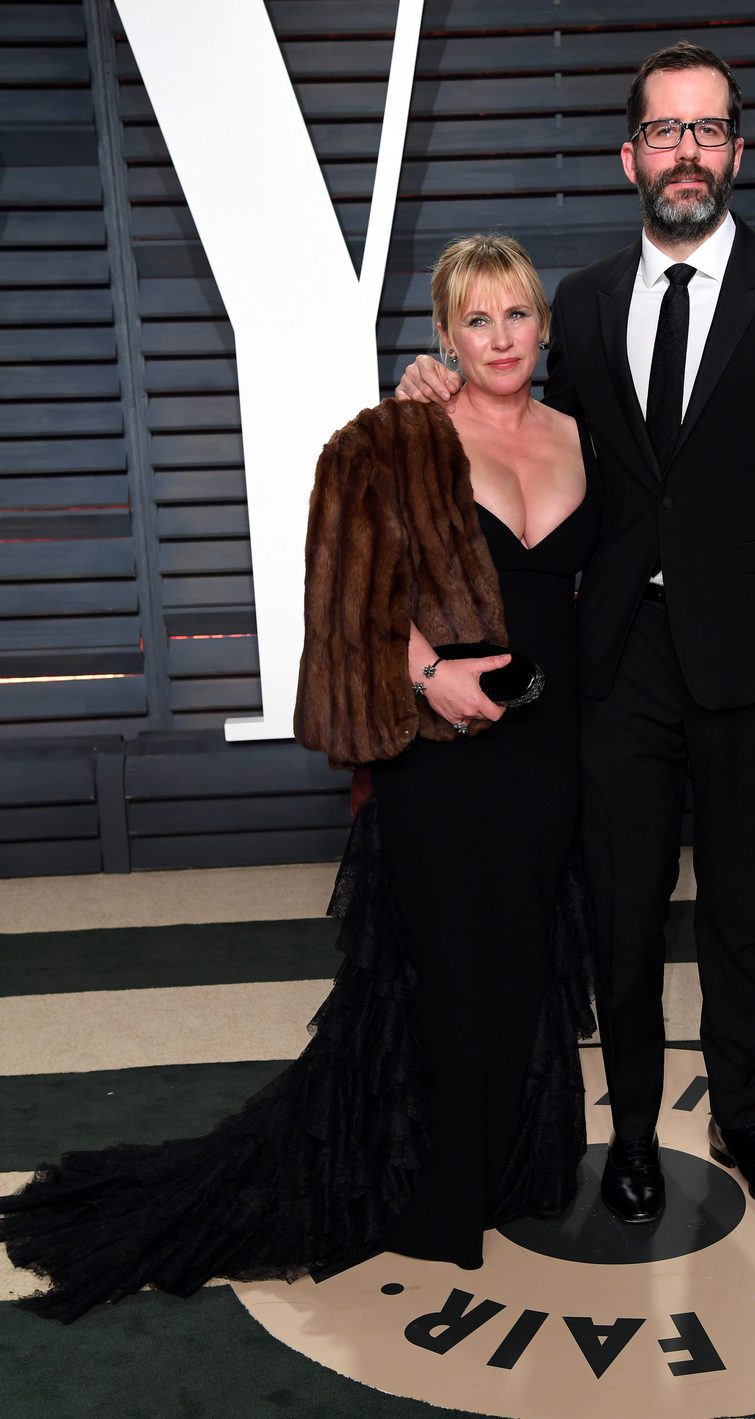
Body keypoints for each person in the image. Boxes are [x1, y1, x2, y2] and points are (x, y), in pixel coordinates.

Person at [0, 234, 599, 1322]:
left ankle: (508, 1168)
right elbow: (343, 608)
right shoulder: (392, 441)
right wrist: (431, 681)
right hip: (438, 756)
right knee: (435, 971)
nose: (499, 338)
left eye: (516, 314)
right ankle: (428, 1192)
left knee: (522, 965)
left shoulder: (578, 436)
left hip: (548, 759)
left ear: (541, 325)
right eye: (476, 319)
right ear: (442, 335)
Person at [397, 41, 755, 1225]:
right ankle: (630, 1136)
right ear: (629, 156)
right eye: (663, 131)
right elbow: (517, 421)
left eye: (705, 130)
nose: (684, 152)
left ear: (735, 152)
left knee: (738, 916)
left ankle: (742, 1121)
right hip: (613, 669)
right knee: (621, 914)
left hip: (754, 666)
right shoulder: (590, 301)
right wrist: (428, 391)